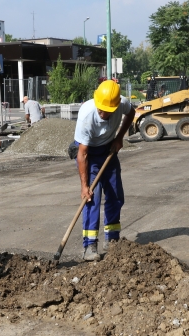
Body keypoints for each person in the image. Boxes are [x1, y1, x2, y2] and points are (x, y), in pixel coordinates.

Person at [73, 80, 135, 261]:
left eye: (107, 110)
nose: (102, 112)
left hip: (108, 149)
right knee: (92, 198)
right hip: (90, 154)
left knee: (115, 195)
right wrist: (84, 186)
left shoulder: (121, 103)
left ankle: (113, 241)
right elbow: (82, 155)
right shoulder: (87, 116)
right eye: (100, 109)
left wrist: (120, 138)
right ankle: (89, 245)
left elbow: (131, 113)